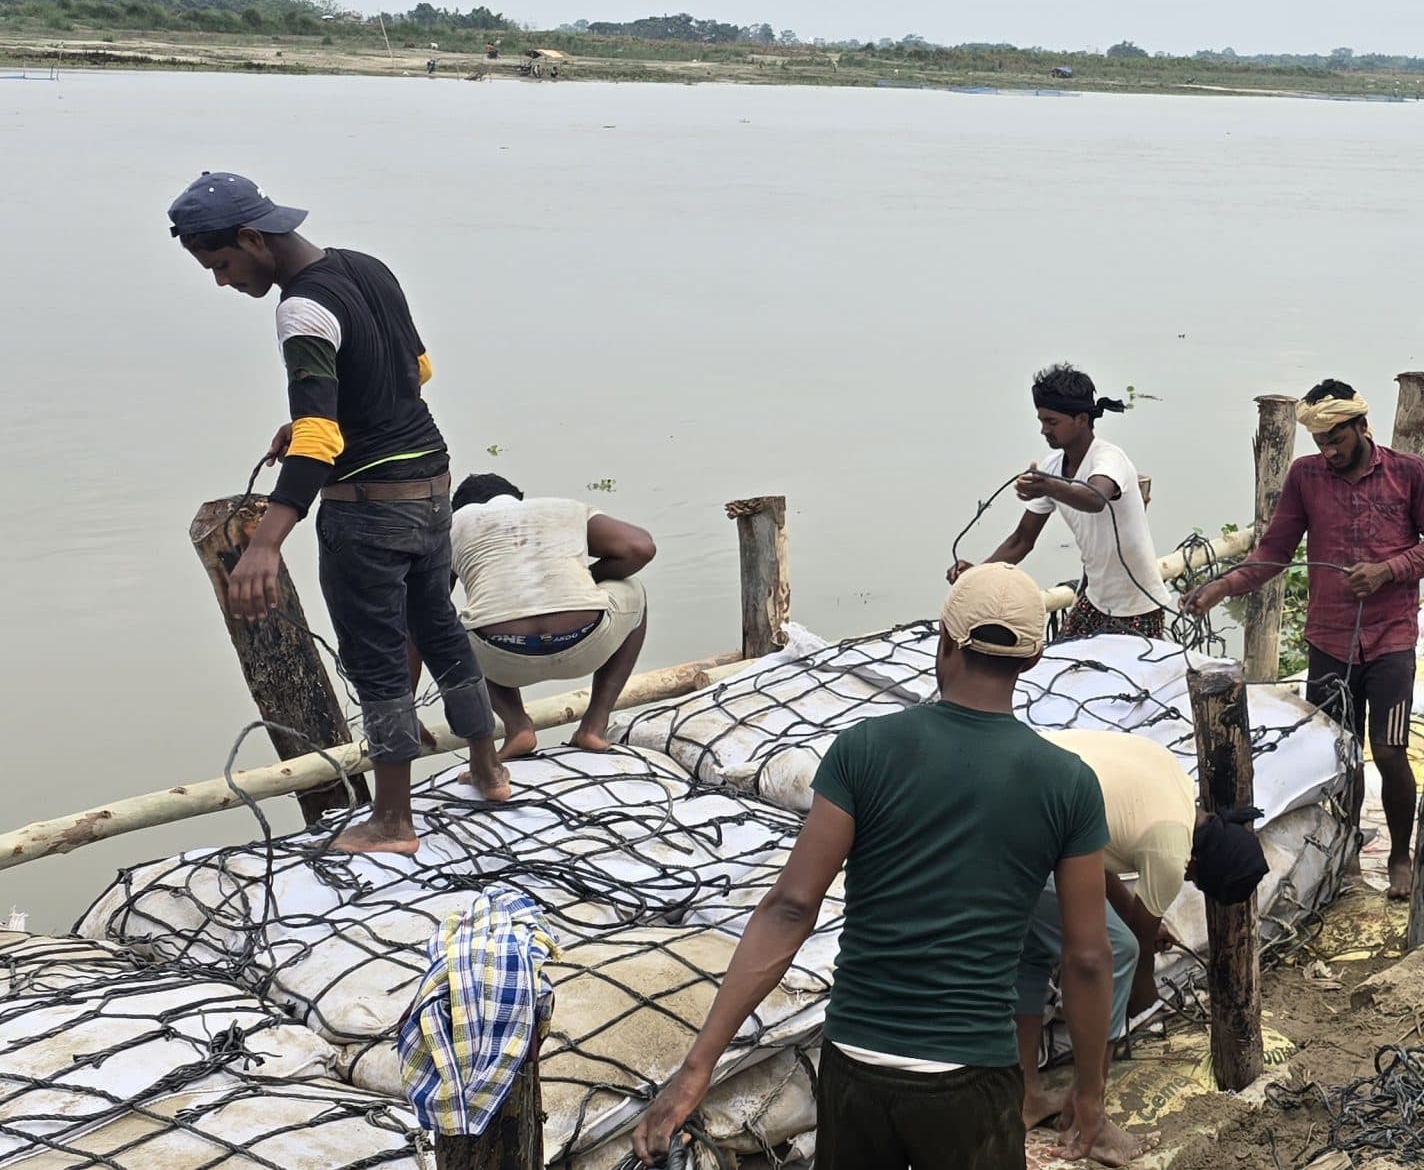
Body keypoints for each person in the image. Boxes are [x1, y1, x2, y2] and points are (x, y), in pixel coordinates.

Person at [631, 563, 1121, 1170]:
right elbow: (1088, 957)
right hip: (970, 1073)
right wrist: (1090, 1093)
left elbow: (790, 908)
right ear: (1033, 659)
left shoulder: (864, 749)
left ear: (944, 641)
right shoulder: (1068, 783)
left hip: (856, 1066)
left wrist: (696, 1070)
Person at [170, 171, 508, 855]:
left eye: (222, 264)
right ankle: (488, 769)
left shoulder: (300, 308)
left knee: (376, 656)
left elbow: (322, 439)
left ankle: (393, 821)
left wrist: (265, 543)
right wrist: (312, 422)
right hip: (431, 483)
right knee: (439, 628)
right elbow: (416, 372)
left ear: (251, 238)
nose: (223, 281)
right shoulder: (368, 267)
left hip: (369, 510)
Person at [1179, 380, 1424, 899]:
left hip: (1390, 637)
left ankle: (1400, 855)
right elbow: (1274, 552)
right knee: (1338, 752)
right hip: (1329, 639)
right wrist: (1223, 586)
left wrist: (1388, 570)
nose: (1328, 450)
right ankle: (1346, 851)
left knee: (1389, 751)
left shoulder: (1410, 473)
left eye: (1336, 439)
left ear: (1361, 426)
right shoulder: (1305, 477)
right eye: (1320, 441)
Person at [1015, 731, 1270, 1162]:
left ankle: (1027, 1096)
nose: (1186, 880)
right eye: (1193, 879)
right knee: (1117, 953)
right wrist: (1141, 991)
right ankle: (1090, 1116)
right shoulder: (1171, 851)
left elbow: (1093, 853)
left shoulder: (1175, 786)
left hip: (1018, 799)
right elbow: (1136, 949)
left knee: (1036, 955)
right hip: (1027, 830)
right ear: (1197, 865)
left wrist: (1148, 926)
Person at [950, 364, 1176, 643]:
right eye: (1041, 421)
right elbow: (1022, 540)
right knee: (1059, 661)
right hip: (1093, 599)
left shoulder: (1108, 459)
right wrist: (976, 576)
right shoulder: (1052, 467)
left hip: (1137, 606)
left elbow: (1096, 498)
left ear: (1081, 419)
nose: (1044, 430)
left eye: (1052, 422)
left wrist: (1046, 486)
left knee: (1120, 671)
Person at [445, 474, 655, 757]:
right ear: (520, 499)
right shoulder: (563, 508)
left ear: (460, 509)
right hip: (587, 644)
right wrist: (587, 580)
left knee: (444, 630)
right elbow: (641, 548)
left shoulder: (453, 526)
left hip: (500, 659)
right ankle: (594, 725)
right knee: (633, 590)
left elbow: (429, 607)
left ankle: (517, 726)